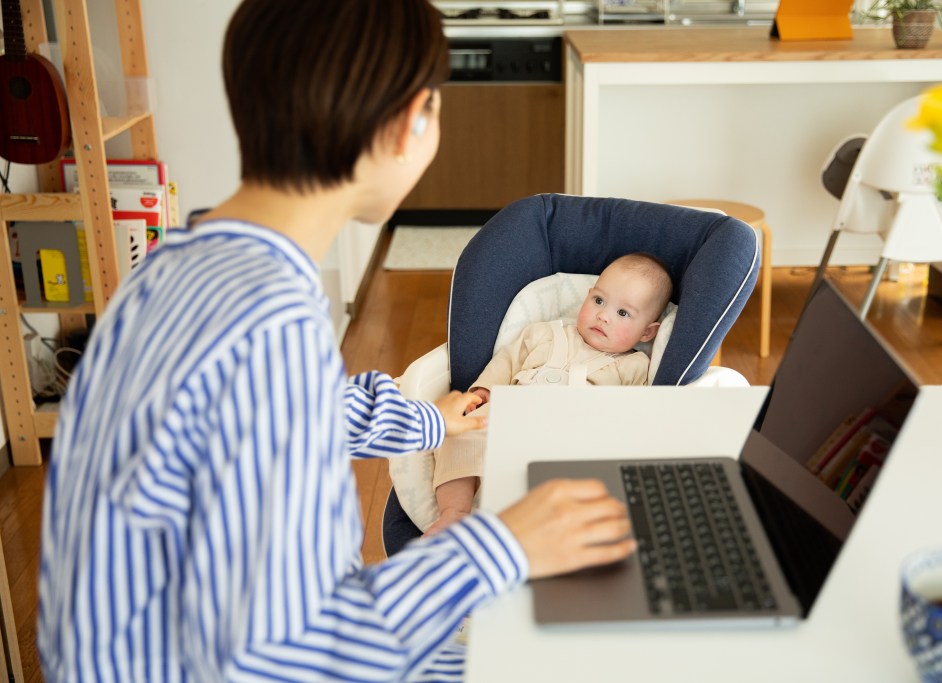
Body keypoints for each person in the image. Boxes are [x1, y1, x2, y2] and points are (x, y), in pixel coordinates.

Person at [35, 1, 636, 681]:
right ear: (410, 123)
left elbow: (278, 413)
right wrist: (505, 543)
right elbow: (286, 652)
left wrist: (422, 418)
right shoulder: (270, 327)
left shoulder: (181, 267)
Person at [423, 253, 673, 536]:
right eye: (599, 301)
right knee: (457, 435)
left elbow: (631, 415)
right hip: (508, 414)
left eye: (623, 313)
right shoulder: (544, 333)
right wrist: (484, 391)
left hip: (569, 432)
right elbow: (506, 361)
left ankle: (536, 520)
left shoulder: (635, 367)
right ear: (587, 297)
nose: (603, 315)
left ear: (647, 333)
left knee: (580, 474)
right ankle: (454, 512)